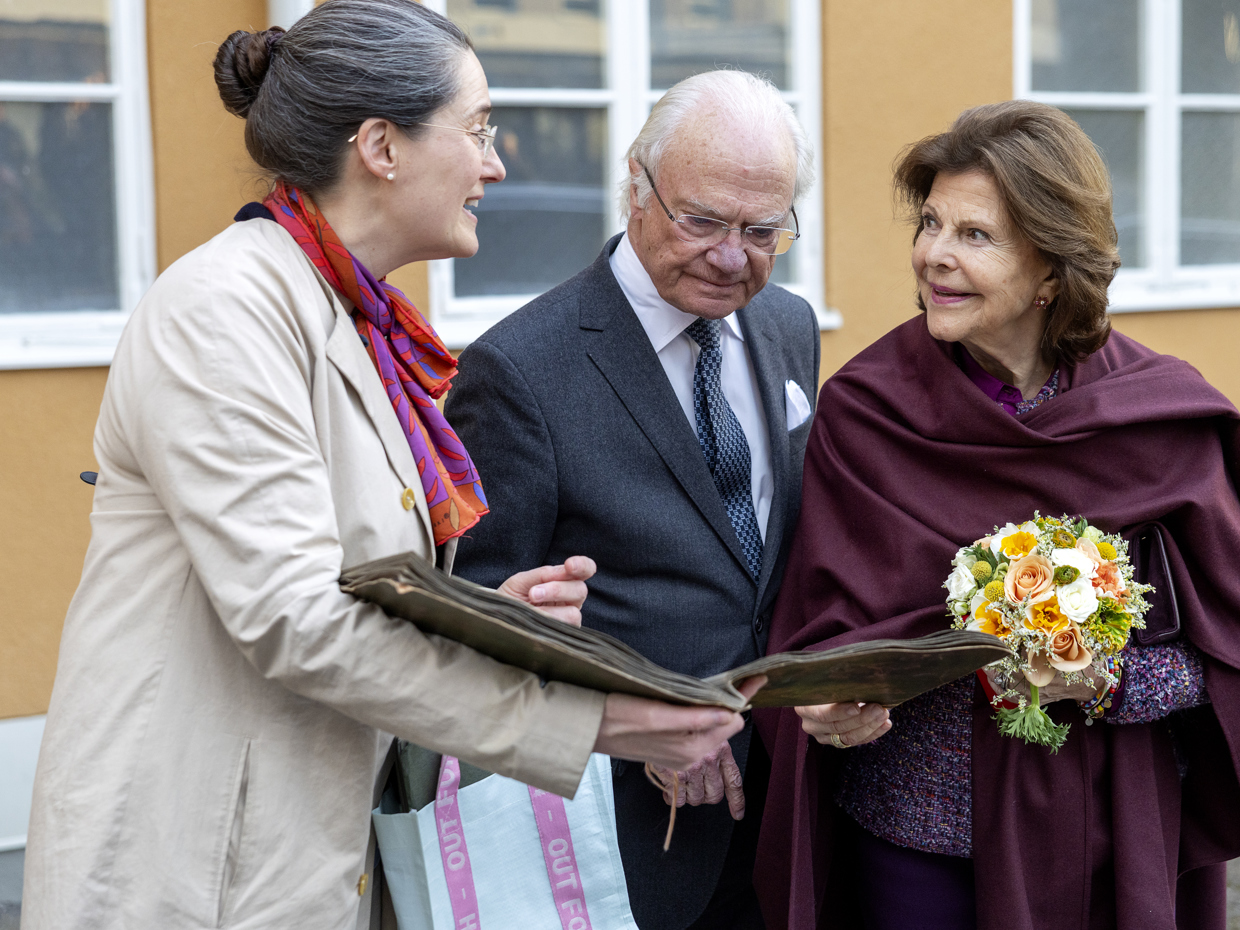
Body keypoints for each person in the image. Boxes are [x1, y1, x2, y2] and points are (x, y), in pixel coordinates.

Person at [21, 4, 752, 928]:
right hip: (187, 866)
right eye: (479, 129)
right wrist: (591, 720)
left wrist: (492, 622)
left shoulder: (357, 323)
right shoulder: (223, 311)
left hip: (297, 854)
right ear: (382, 146)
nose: (497, 162)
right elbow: (295, 618)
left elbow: (354, 584)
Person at [753, 100, 1240, 930]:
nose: (934, 255)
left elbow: (1237, 658)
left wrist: (1102, 678)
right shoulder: (866, 412)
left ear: (1051, 270)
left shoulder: (1164, 421)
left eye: (975, 236)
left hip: (1110, 833)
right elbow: (820, 636)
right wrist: (828, 706)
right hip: (917, 839)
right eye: (930, 224)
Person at [443, 70, 820, 930]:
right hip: (621, 835)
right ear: (636, 188)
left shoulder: (789, 326)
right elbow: (479, 628)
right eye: (702, 221)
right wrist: (639, 722)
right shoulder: (518, 370)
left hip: (785, 802)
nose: (732, 256)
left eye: (763, 230)